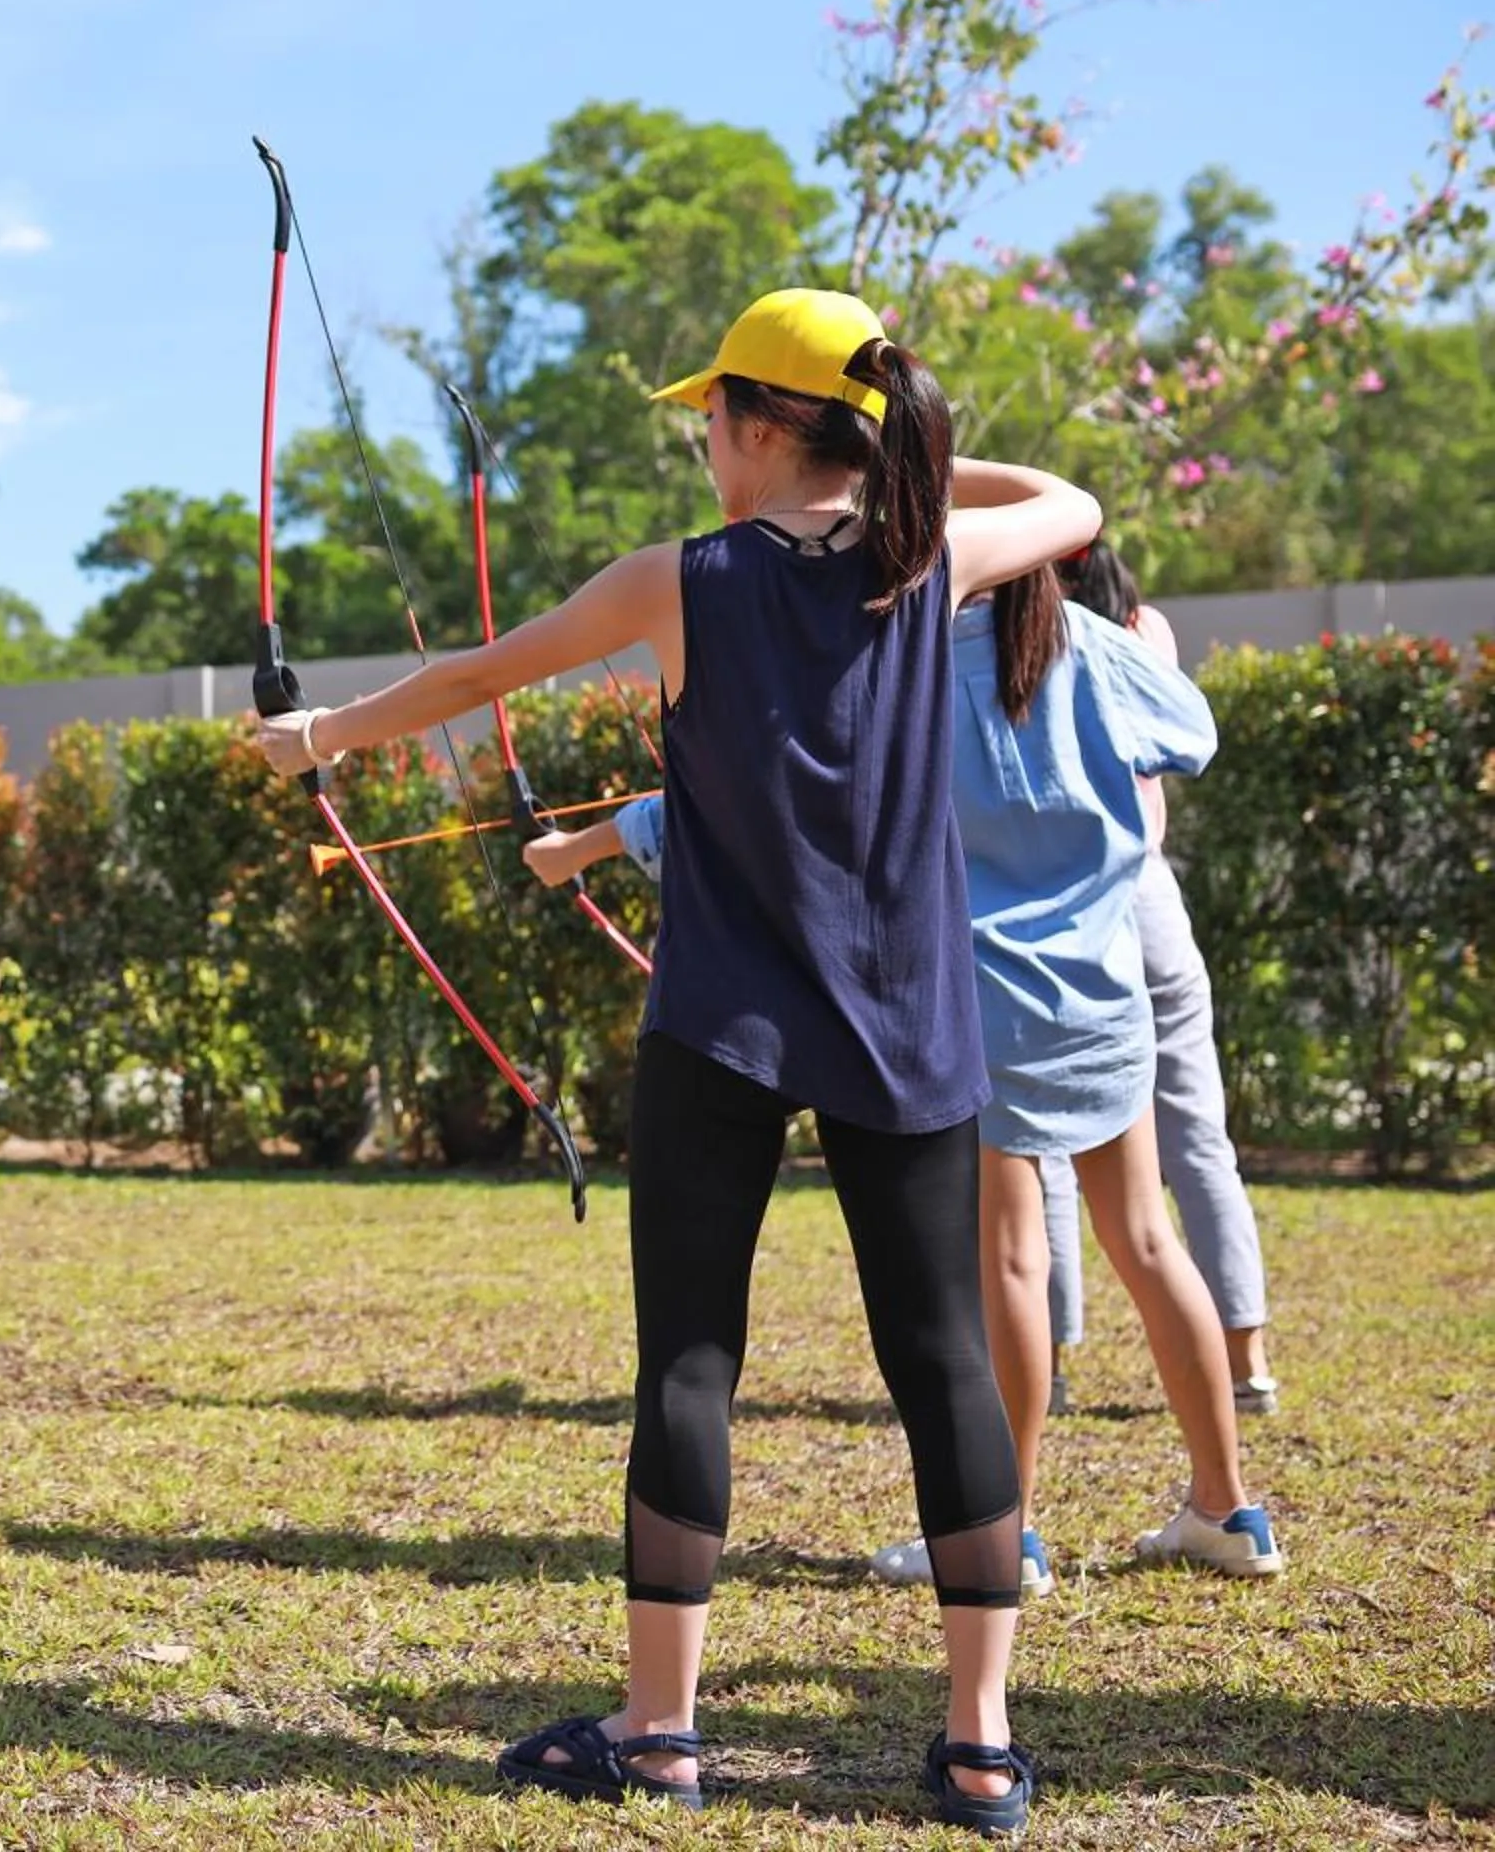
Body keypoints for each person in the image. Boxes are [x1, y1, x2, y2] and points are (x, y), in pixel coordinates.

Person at [258, 289, 1085, 1836]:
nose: (705, 443)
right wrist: (903, 474)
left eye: (716, 418)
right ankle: (980, 1749)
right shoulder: (935, 561)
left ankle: (662, 1733)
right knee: (946, 1362)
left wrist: (321, 741)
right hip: (908, 1022)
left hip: (724, 1028)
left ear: (766, 428)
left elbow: (469, 680)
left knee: (691, 1359)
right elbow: (1075, 503)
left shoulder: (679, 583)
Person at [860, 560, 1283, 1596]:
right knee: (1145, 1237)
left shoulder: (905, 662)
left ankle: (1003, 1533)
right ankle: (1227, 1507)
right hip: (1104, 988)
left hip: (981, 1003)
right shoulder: (1091, 644)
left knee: (1007, 1263)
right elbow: (1193, 733)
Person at [1040, 542, 1278, 1419]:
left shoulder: (1031, 643)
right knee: (1199, 1140)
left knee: (1046, 1151)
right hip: (1153, 897)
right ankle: (1246, 1359)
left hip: (1069, 901)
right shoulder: (1148, 631)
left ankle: (1049, 1365)